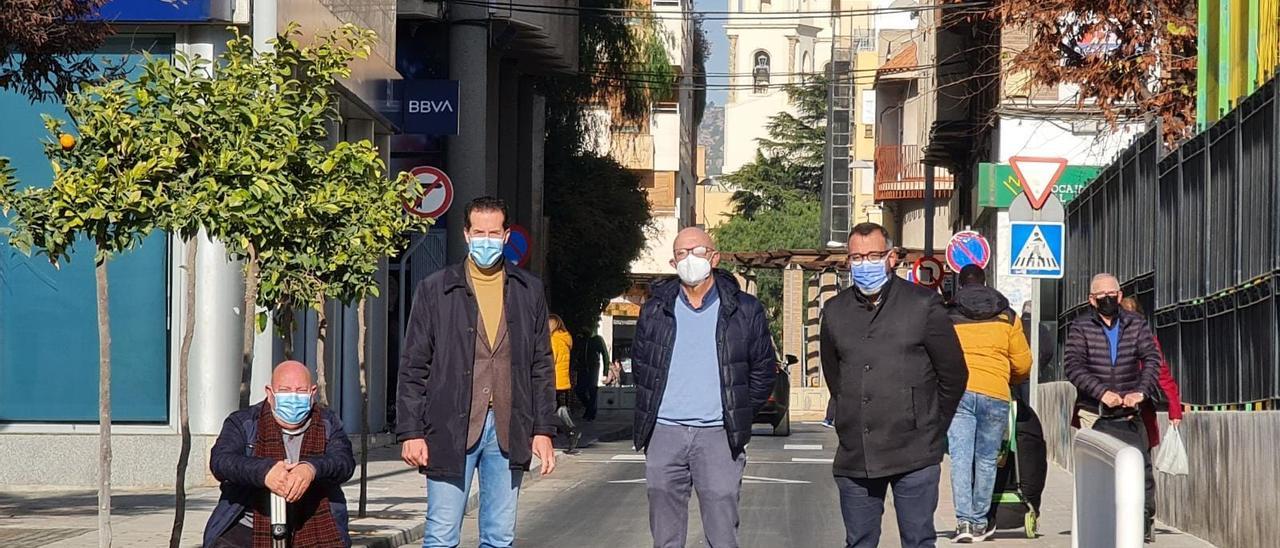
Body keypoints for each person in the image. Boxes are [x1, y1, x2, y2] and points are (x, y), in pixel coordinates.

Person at [396, 196, 558, 548]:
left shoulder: (529, 290)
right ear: (466, 235)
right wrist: (410, 431)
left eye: (494, 232)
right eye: (479, 232)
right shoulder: (436, 288)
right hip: (448, 427)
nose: (486, 239)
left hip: (508, 426)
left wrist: (543, 429)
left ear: (506, 235)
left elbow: (541, 365)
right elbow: (413, 365)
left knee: (499, 536)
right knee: (441, 534)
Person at [819, 222, 969, 548]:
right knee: (859, 541)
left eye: (873, 255)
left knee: (917, 540)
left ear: (891, 257)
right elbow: (836, 376)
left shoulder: (923, 305)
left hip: (914, 452)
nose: (864, 264)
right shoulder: (834, 311)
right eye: (857, 257)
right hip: (857, 452)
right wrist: (848, 411)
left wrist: (931, 425)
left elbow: (953, 373)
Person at [632, 227, 777, 548]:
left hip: (718, 436)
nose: (689, 259)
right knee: (665, 533)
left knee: (722, 531)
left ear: (714, 257)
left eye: (696, 251)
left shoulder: (745, 309)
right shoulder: (655, 310)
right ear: (672, 262)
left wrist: (737, 413)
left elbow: (762, 370)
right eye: (681, 254)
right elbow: (642, 366)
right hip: (665, 432)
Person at [204, 361, 356, 548]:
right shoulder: (243, 422)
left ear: (313, 392)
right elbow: (221, 461)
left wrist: (310, 469)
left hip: (313, 523)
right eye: (285, 390)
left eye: (300, 391)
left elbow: (344, 462)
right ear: (270, 393)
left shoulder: (328, 422)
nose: (293, 397)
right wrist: (264, 472)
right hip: (249, 524)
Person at [1064, 273, 1161, 543]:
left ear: (1119, 296)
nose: (1107, 299)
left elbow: (1152, 358)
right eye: (1100, 296)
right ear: (1091, 300)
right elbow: (1073, 366)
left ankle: (1137, 524)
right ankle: (1098, 528)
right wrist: (1102, 393)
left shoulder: (1136, 324)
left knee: (1137, 468)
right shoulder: (1080, 327)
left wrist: (1140, 392)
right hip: (1093, 411)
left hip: (1130, 412)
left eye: (1112, 294)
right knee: (1098, 473)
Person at [946, 265, 1032, 542]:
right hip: (996, 393)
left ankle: (963, 524)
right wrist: (1010, 377)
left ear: (961, 285)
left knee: (960, 459)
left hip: (959, 393)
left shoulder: (949, 314)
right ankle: (981, 522)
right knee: (986, 460)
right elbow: (1023, 363)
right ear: (986, 283)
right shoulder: (1007, 316)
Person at [1119, 296, 1184, 447]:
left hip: (1139, 410)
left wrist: (1175, 409)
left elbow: (1162, 374)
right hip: (1115, 410)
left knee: (1140, 458)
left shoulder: (1147, 341)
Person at [549, 314, 582, 454]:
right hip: (562, 382)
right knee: (559, 410)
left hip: (553, 381)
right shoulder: (564, 339)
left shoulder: (554, 340)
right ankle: (571, 431)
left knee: (550, 413)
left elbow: (550, 361)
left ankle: (571, 432)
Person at [572, 327, 611, 421]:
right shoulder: (581, 339)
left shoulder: (597, 339)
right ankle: (590, 409)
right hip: (582, 368)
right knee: (579, 390)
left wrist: (605, 372)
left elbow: (605, 354)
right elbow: (576, 352)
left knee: (592, 389)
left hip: (593, 368)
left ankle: (590, 413)